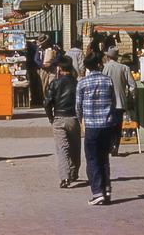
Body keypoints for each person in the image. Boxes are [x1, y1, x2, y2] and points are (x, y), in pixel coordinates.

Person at [76, 52, 116, 205]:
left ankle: (97, 192)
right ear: (99, 64)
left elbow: (78, 106)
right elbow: (113, 102)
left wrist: (81, 121)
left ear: (86, 67)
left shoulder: (82, 83)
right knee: (104, 158)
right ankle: (106, 190)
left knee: (92, 159)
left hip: (92, 126)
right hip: (106, 125)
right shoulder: (108, 81)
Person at [44, 55, 80, 188]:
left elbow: (47, 102)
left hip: (58, 118)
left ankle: (65, 178)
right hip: (73, 118)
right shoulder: (77, 83)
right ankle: (74, 172)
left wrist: (50, 117)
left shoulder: (55, 83)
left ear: (59, 68)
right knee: (75, 147)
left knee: (62, 148)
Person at [101, 46, 137, 156]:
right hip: (120, 101)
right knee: (118, 125)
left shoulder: (105, 68)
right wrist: (131, 97)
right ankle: (115, 146)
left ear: (108, 56)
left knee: (108, 125)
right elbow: (133, 85)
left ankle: (109, 145)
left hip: (107, 101)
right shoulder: (124, 68)